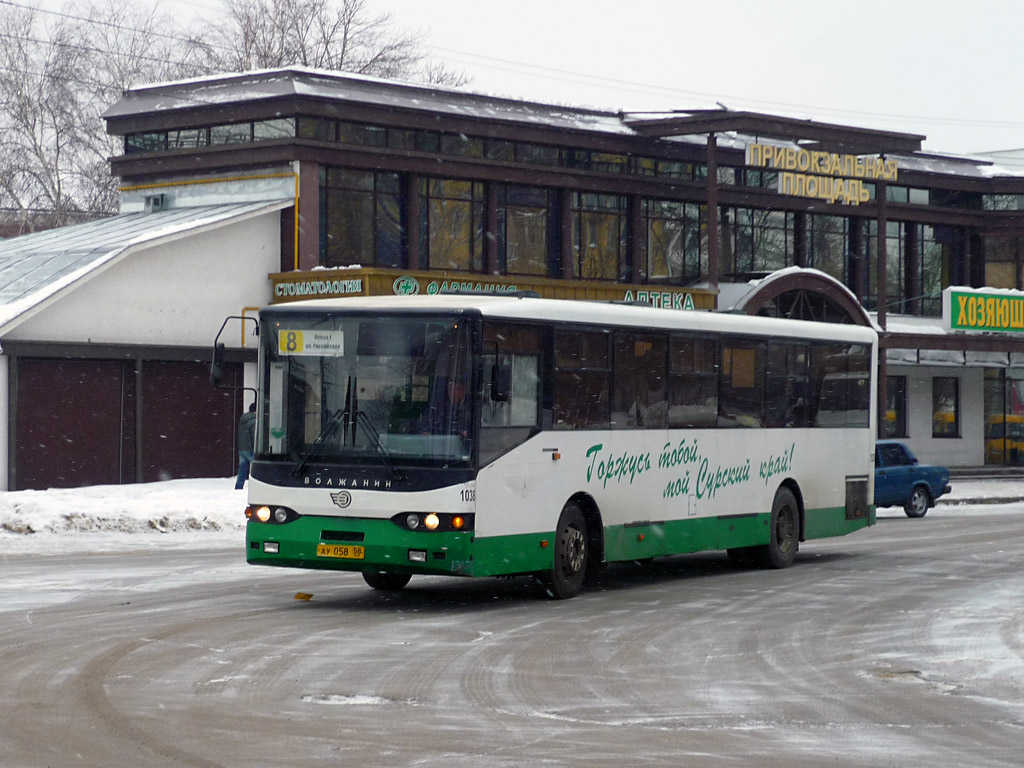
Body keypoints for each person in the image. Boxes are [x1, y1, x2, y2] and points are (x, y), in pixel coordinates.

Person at [235, 402, 256, 489]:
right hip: (250, 449)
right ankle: (256, 486)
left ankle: (239, 487)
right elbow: (254, 435)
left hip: (242, 448)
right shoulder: (253, 421)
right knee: (257, 468)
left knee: (242, 469)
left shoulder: (243, 419)